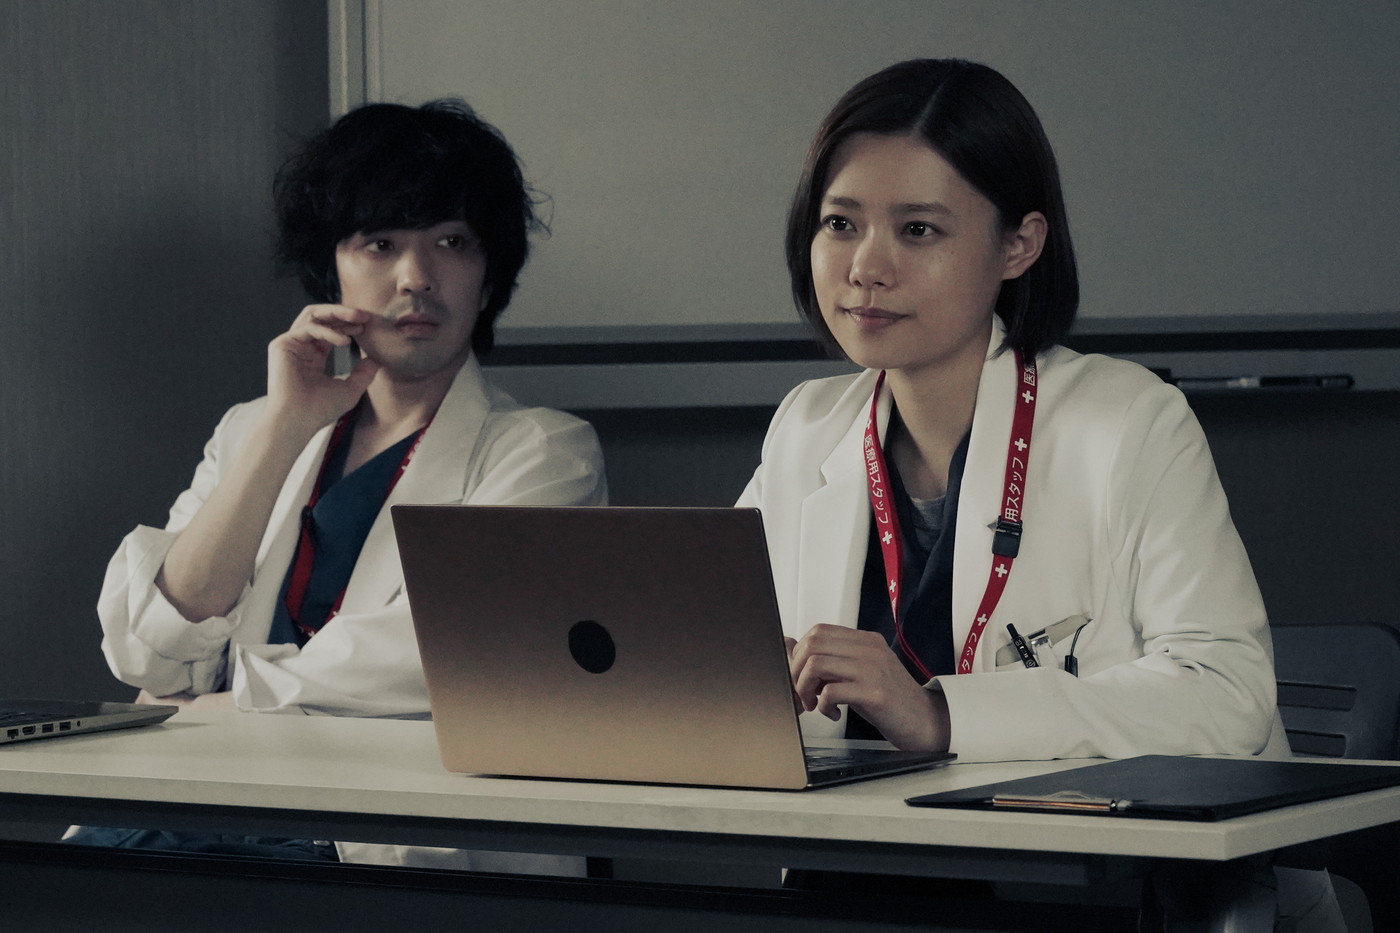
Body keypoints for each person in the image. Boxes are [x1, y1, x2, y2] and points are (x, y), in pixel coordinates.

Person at [738, 58, 1346, 929]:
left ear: (1019, 246)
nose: (865, 267)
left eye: (918, 229)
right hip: (870, 875)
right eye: (841, 223)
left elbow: (1225, 694)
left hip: (1130, 890)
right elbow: (717, 652)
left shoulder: (1129, 419)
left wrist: (940, 712)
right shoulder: (807, 425)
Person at [75, 99, 605, 870]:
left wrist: (227, 698)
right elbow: (153, 648)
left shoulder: (545, 452)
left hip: (383, 834)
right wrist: (283, 430)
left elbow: (444, 653)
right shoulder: (254, 428)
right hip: (213, 799)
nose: (416, 278)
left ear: (489, 275)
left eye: (451, 242)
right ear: (333, 269)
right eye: (380, 243)